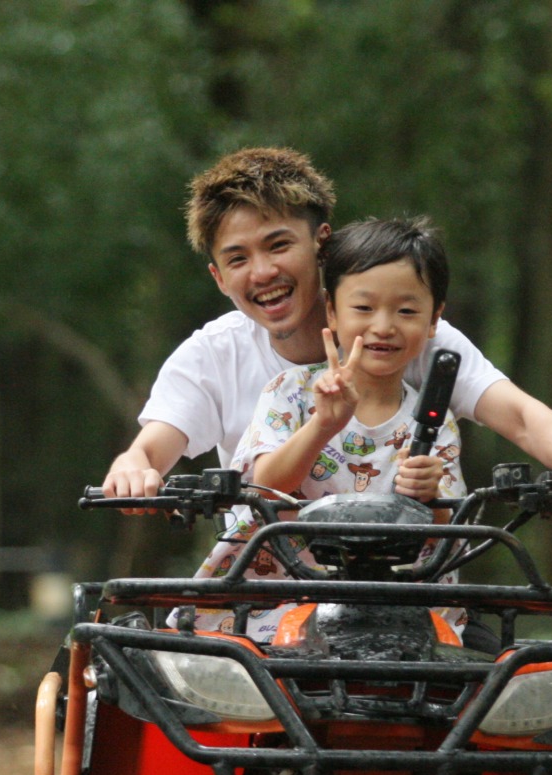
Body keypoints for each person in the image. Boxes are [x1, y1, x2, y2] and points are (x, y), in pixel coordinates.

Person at [100, 147, 552, 511]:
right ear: (219, 277)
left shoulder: (410, 338)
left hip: (405, 584)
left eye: (278, 245)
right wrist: (131, 470)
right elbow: (148, 453)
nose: (262, 273)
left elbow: (523, 418)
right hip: (273, 592)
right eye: (238, 258)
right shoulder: (214, 356)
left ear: (322, 243)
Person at [192, 217, 468, 639]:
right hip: (276, 604)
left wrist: (430, 494)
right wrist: (322, 425)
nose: (383, 326)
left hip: (397, 611)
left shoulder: (436, 421)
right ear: (332, 311)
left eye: (407, 311)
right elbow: (265, 487)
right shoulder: (290, 392)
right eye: (364, 308)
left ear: (434, 320)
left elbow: (450, 530)